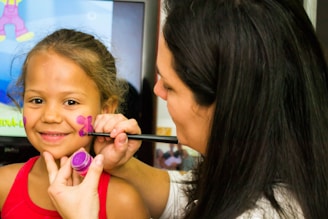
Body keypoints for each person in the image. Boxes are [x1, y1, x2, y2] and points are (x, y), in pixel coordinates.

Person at [46, 0, 328, 218]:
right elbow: (188, 201)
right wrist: (122, 165)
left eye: (169, 86)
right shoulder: (267, 176)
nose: (157, 91)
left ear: (229, 106)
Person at [0, 28, 149, 218]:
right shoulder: (3, 184)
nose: (50, 116)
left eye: (71, 102)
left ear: (106, 109)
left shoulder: (123, 200)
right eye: (37, 100)